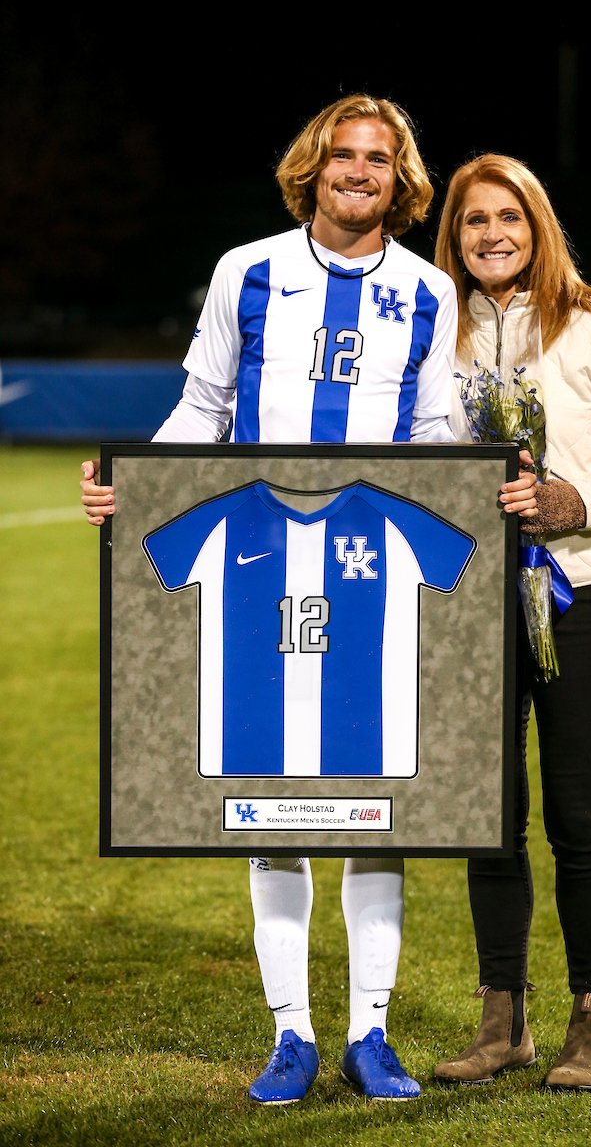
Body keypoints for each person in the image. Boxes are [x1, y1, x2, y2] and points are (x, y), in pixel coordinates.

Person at [80, 94, 464, 1105]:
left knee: (378, 811)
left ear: (399, 180)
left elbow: (436, 436)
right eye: (343, 155)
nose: (358, 172)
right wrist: (135, 483)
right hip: (258, 558)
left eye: (378, 159)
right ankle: (291, 1035)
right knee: (270, 809)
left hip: (372, 570)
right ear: (312, 167)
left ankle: (370, 1034)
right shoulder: (244, 271)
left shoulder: (428, 290)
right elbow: (202, 408)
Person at [431, 154, 591, 1091]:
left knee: (577, 820)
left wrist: (578, 502)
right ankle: (503, 1021)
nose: (492, 234)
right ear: (454, 236)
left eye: (510, 217)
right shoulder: (438, 330)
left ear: (538, 227)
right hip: (470, 602)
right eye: (474, 220)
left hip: (579, 595)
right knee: (488, 819)